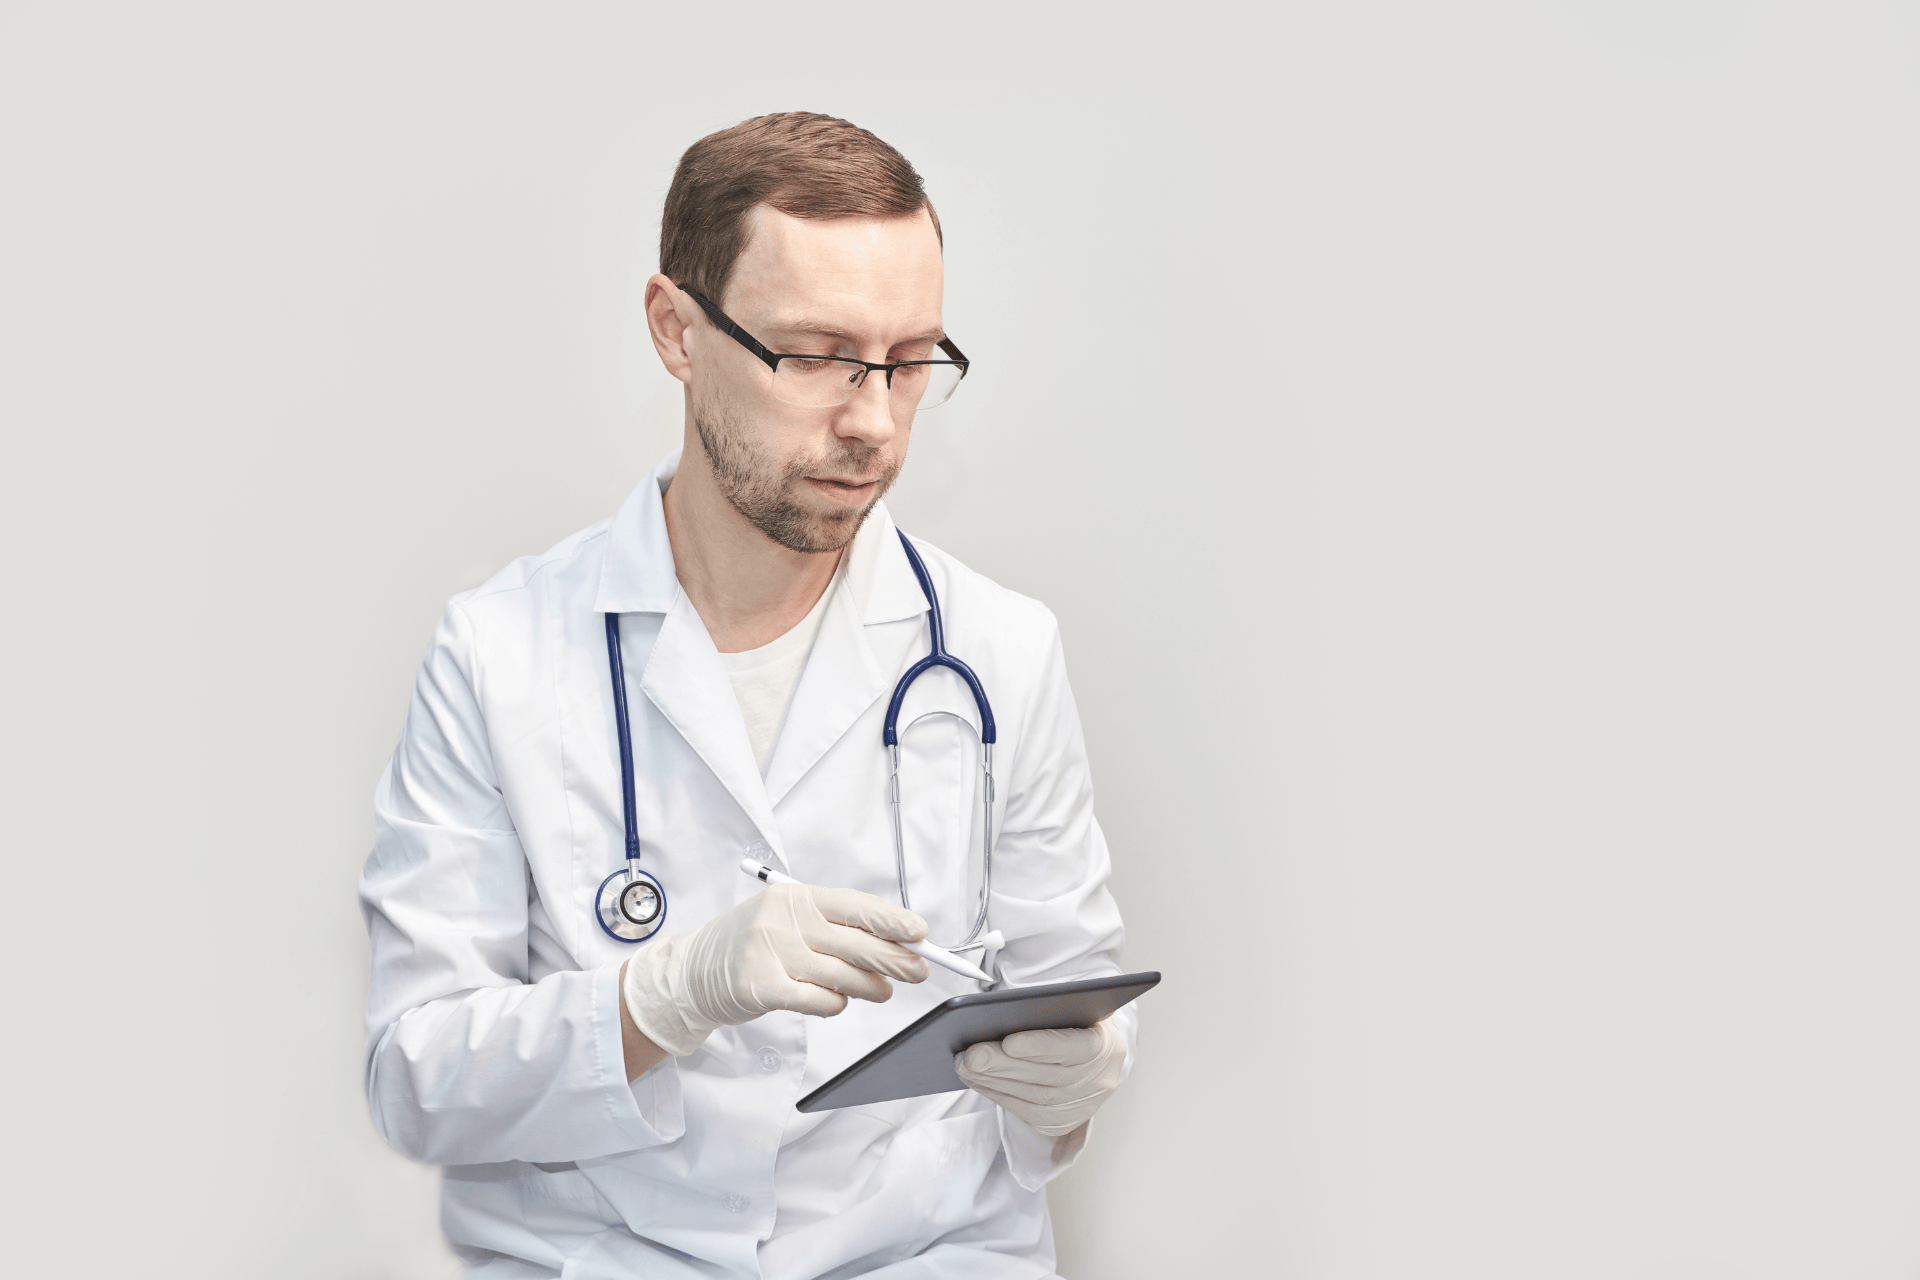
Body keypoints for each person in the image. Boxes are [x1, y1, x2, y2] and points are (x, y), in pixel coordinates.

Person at [359, 111, 1135, 1279]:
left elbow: (1071, 990)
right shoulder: (500, 651)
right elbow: (416, 1079)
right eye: (817, 354)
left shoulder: (998, 651)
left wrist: (1080, 1074)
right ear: (676, 329)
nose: (873, 418)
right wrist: (662, 994)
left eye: (911, 359)